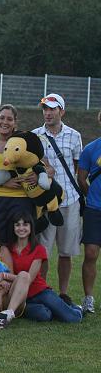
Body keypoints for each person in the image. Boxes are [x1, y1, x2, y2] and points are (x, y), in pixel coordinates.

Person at [32, 93, 82, 300]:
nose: (48, 113)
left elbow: (77, 168)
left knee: (66, 253)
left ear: (62, 111)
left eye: (52, 108)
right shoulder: (34, 135)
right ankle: (42, 291)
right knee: (43, 253)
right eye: (45, 108)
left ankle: (63, 293)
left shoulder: (74, 135)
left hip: (69, 201)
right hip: (45, 203)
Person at [2, 212, 82, 323]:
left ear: (31, 227)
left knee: (73, 319)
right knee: (44, 315)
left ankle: (76, 309)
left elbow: (29, 279)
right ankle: (57, 308)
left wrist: (6, 276)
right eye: (17, 225)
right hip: (22, 297)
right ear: (13, 228)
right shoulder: (7, 249)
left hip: (40, 291)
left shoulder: (38, 249)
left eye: (25, 225)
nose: (21, 228)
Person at [0, 105, 35, 244]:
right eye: (2, 118)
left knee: (20, 244)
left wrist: (38, 176)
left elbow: (49, 169)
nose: (5, 122)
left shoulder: (25, 142)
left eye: (9, 119)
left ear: (15, 122)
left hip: (22, 201)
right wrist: (3, 183)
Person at [78, 110, 101, 314]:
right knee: (91, 253)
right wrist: (92, 196)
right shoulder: (91, 148)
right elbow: (82, 178)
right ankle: (88, 298)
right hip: (95, 209)